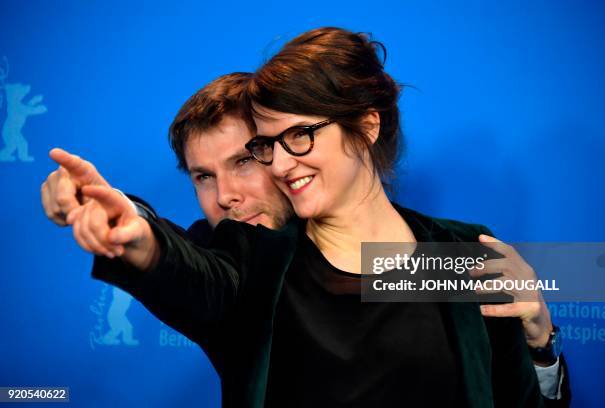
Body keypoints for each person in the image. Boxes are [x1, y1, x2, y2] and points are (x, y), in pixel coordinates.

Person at [41, 31, 569, 406]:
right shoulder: (257, 260)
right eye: (269, 145)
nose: (283, 162)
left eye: (298, 136)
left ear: (365, 125)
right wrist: (135, 230)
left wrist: (542, 351)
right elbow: (186, 267)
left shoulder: (457, 254)